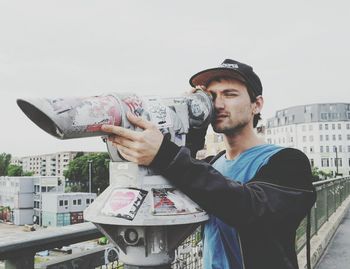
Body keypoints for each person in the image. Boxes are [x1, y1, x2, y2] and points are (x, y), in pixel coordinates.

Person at [101, 59, 317, 269]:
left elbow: (250, 209)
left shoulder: (288, 162)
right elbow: (181, 180)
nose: (218, 104)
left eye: (229, 94)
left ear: (256, 104)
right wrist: (190, 123)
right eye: (211, 97)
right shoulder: (213, 164)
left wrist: (165, 153)